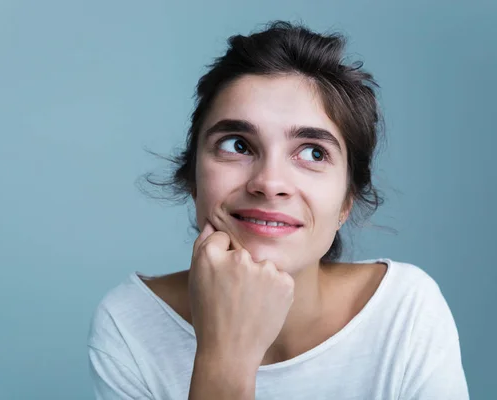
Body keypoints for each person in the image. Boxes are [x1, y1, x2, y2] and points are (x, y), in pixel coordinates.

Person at [87, 21, 469, 399]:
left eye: (313, 153)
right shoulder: (130, 324)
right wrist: (226, 356)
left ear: (346, 202)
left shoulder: (407, 312)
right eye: (237, 145)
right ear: (193, 177)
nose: (269, 183)